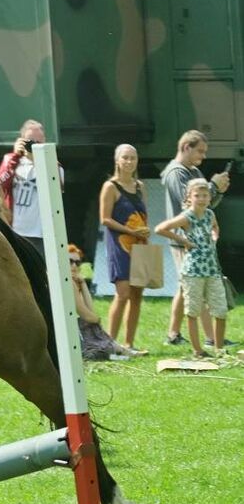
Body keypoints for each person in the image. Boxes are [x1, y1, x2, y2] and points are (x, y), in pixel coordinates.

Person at [161, 130, 231, 346]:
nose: (203, 156)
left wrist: (216, 191)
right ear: (186, 148)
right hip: (186, 240)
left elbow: (206, 204)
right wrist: (213, 186)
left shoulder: (193, 170)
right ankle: (210, 339)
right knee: (195, 289)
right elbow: (188, 202)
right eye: (200, 151)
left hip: (199, 241)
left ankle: (173, 335)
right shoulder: (176, 173)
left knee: (185, 288)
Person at [155, 179, 230, 358]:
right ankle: (198, 350)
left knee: (220, 311)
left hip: (212, 270)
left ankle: (219, 349)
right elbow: (160, 229)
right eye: (197, 196)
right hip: (193, 271)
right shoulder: (186, 217)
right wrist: (184, 241)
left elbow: (215, 227)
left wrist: (214, 236)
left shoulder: (210, 214)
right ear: (189, 197)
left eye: (205, 196)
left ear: (210, 198)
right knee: (193, 311)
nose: (202, 199)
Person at [100, 144, 149, 355]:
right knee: (123, 292)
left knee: (137, 293)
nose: (129, 162)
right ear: (117, 161)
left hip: (140, 244)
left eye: (133, 158)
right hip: (119, 244)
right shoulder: (110, 187)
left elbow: (143, 214)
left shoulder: (140, 186)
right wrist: (130, 230)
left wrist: (144, 233)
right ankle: (110, 344)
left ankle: (129, 344)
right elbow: (105, 219)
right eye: (125, 158)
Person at [0, 119, 62, 257]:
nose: (34, 145)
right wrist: (15, 156)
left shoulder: (52, 164)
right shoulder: (11, 160)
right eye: (30, 141)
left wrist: (38, 158)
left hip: (43, 233)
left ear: (44, 142)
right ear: (22, 141)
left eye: (38, 142)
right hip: (16, 230)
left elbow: (57, 188)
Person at [67, 244, 130, 362]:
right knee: (89, 322)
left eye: (77, 262)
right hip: (66, 333)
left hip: (72, 329)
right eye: (70, 261)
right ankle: (118, 351)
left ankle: (118, 351)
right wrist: (97, 320)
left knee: (90, 323)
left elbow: (89, 310)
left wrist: (83, 284)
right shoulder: (67, 283)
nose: (74, 266)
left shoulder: (73, 282)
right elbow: (86, 315)